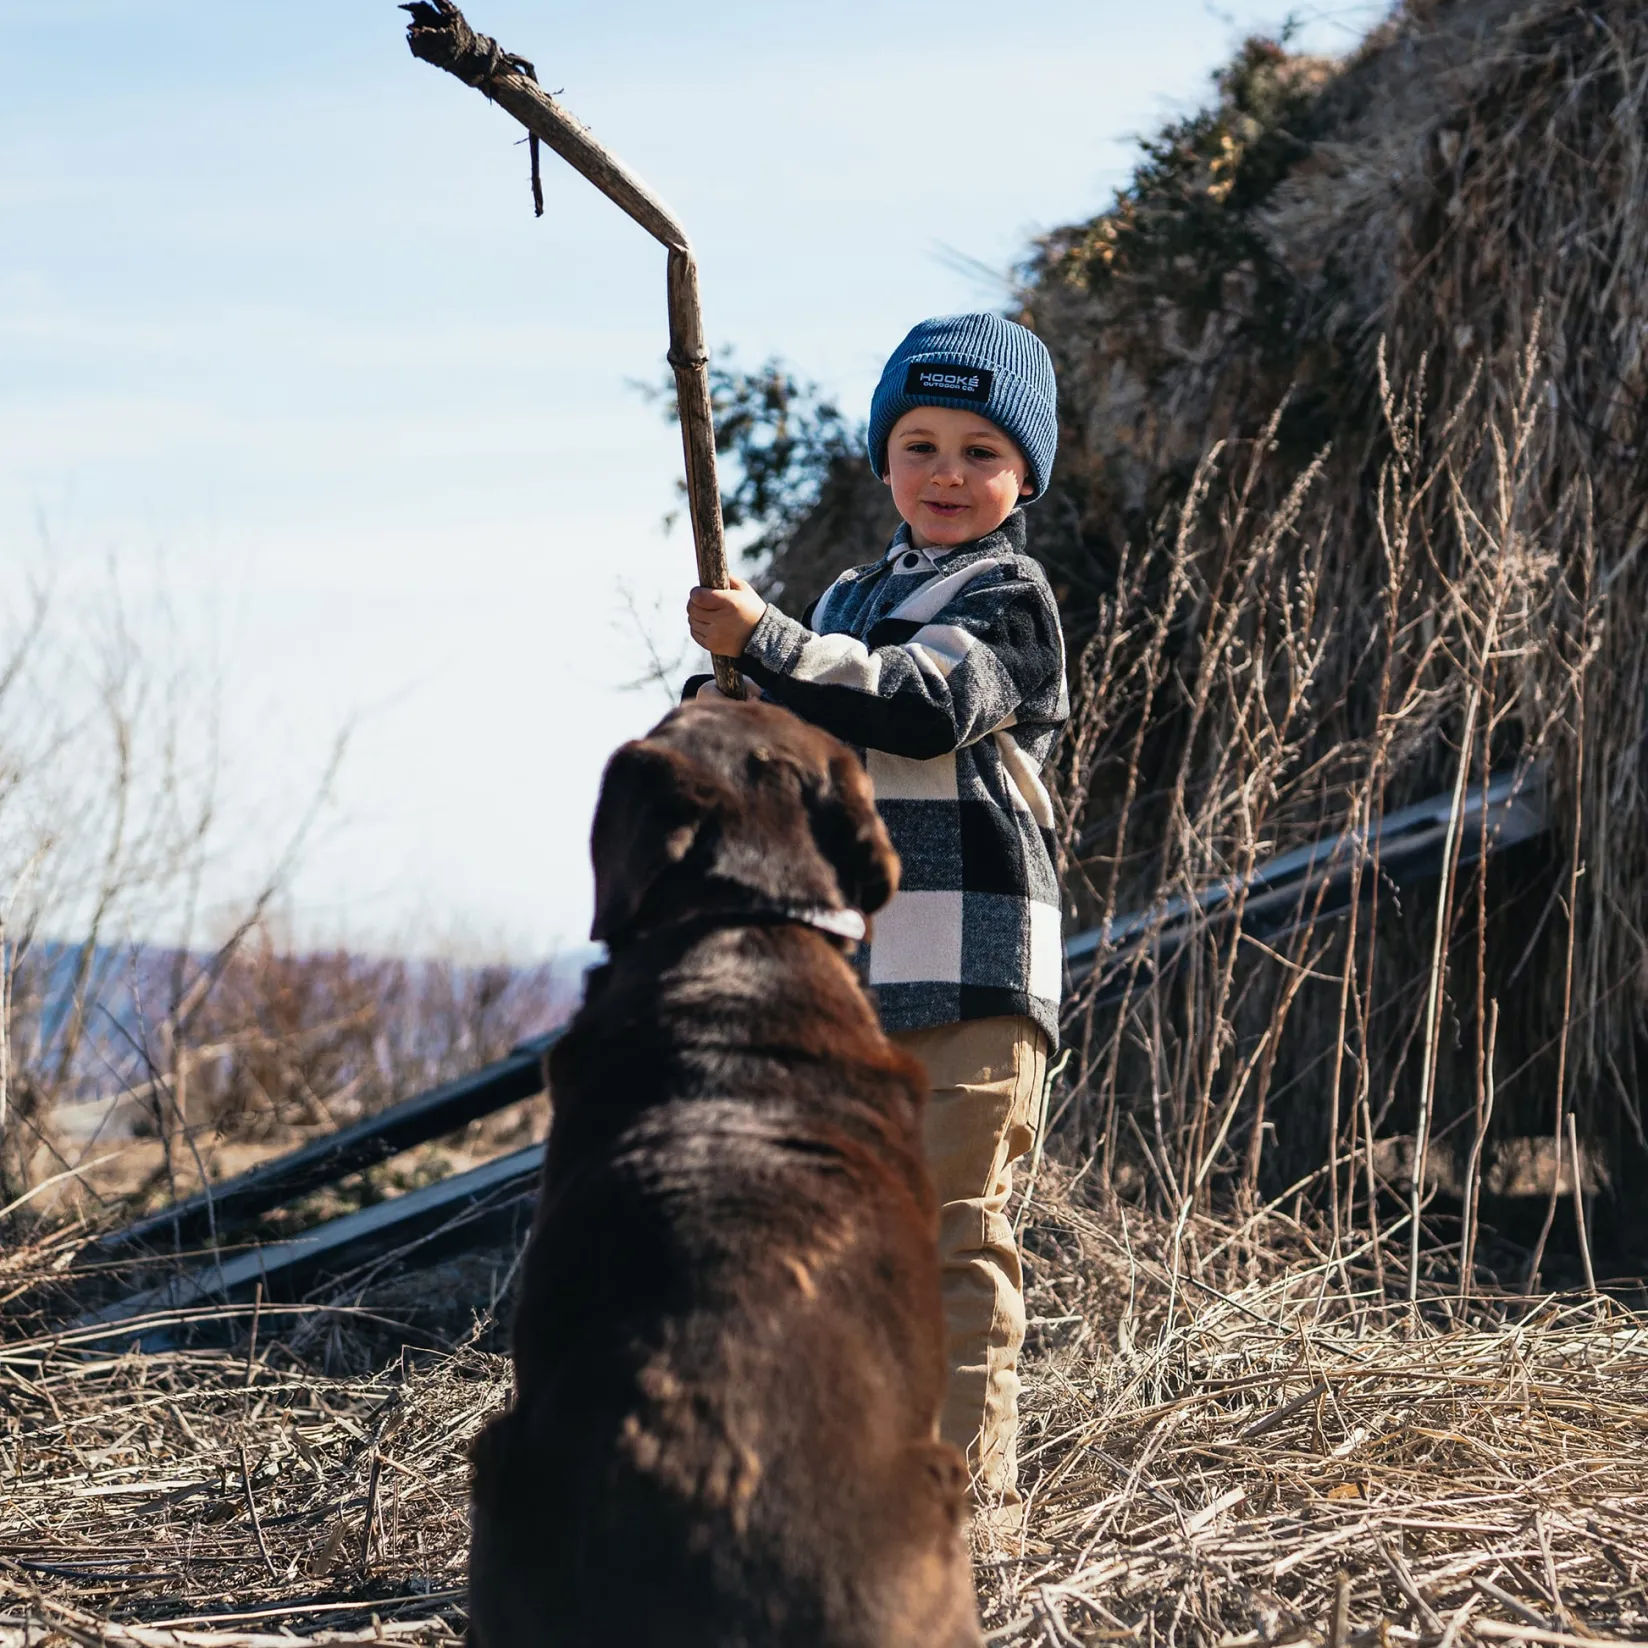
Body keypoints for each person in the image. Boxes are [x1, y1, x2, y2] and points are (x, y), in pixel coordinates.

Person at [684, 312, 1067, 1537]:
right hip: (848, 970)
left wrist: (777, 646)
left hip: (970, 964)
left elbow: (916, 707)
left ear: (1022, 476)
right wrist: (727, 692)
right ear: (883, 459)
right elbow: (802, 732)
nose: (948, 473)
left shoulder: (1010, 596)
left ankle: (964, 1510)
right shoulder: (849, 594)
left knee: (952, 1230)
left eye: (980, 451)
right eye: (920, 443)